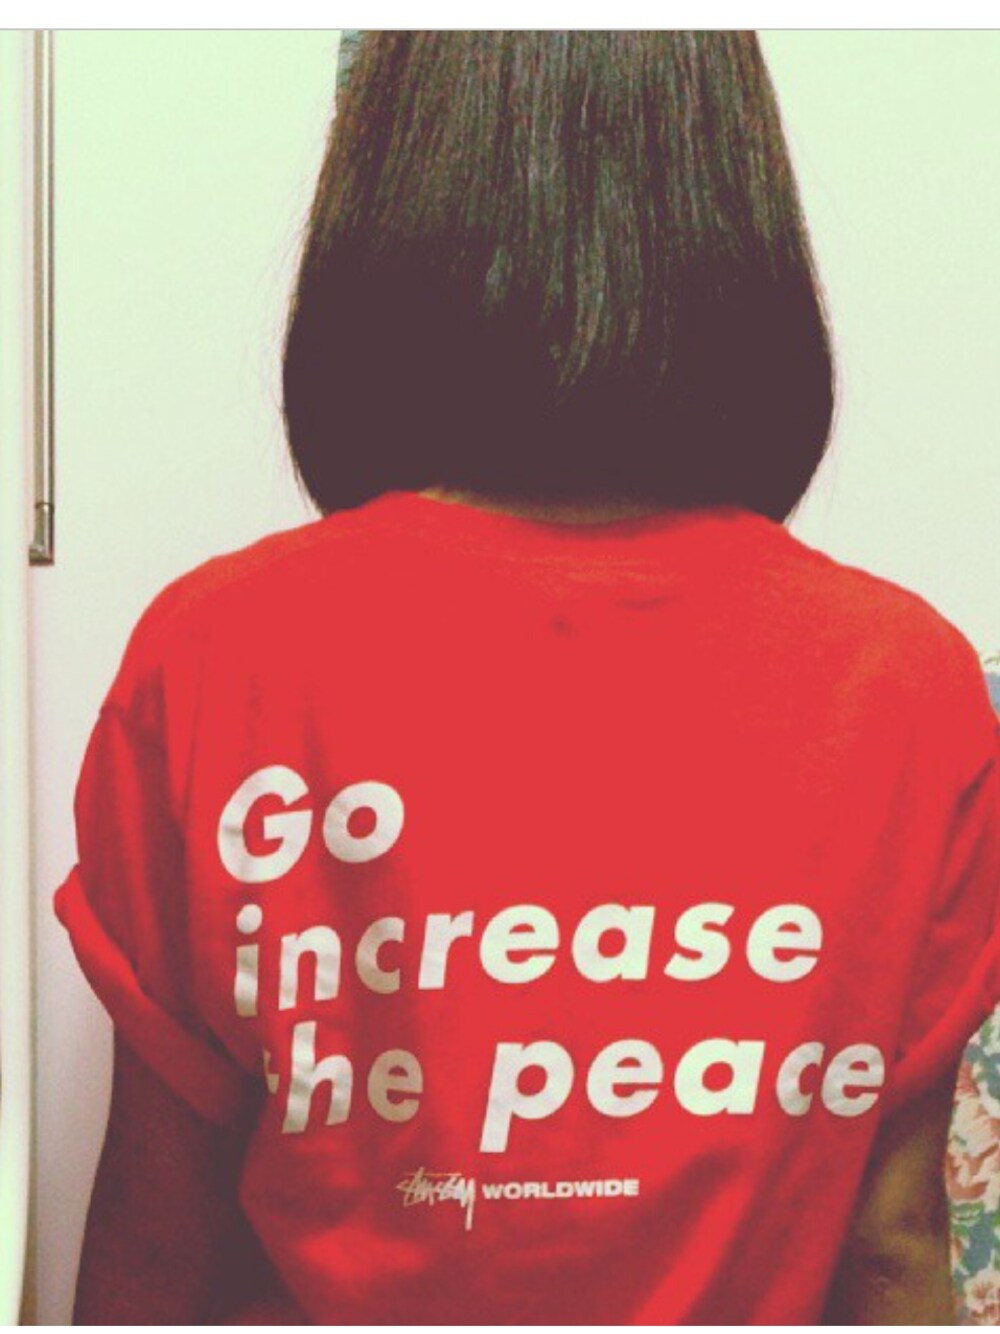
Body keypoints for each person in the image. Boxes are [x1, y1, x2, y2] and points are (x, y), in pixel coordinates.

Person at [54, 31, 999, 1325]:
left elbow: (156, 1254)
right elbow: (891, 1253)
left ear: (386, 200)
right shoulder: (902, 684)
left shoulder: (218, 654)